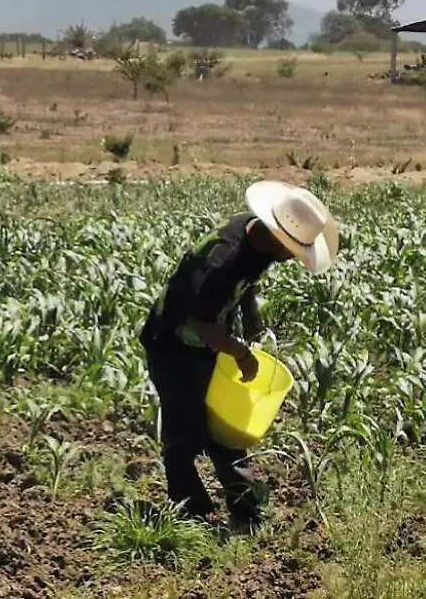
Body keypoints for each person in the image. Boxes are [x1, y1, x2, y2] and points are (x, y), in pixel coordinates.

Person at [138, 180, 339, 528]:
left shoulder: (257, 239)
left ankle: (245, 509)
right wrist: (242, 354)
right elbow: (202, 324)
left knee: (227, 428)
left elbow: (246, 284)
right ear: (278, 237)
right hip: (171, 344)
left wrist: (251, 316)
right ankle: (193, 514)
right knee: (184, 431)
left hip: (207, 343)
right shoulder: (223, 260)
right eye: (291, 249)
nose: (293, 256)